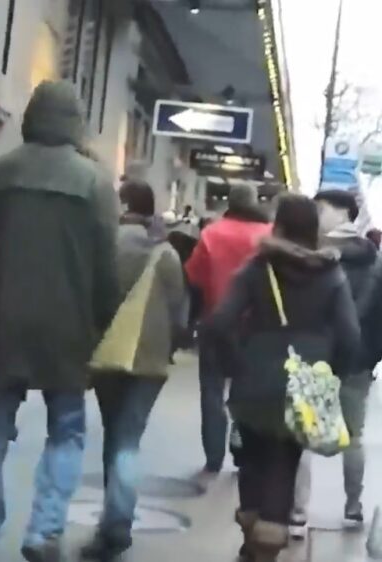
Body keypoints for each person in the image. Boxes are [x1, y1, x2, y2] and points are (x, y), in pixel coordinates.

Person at [0, 80, 120, 562]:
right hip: (68, 325)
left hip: (3, 320)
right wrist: (102, 323)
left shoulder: (3, 171)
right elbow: (106, 266)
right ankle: (44, 530)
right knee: (67, 429)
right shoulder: (94, 182)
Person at [207, 194, 360, 562]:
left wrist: (236, 363)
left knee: (251, 457)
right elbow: (350, 336)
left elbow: (219, 323)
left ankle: (251, 533)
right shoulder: (331, 275)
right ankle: (266, 547)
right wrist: (330, 375)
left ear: (279, 225)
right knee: (284, 462)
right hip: (303, 385)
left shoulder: (257, 268)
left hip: (253, 381)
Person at [81, 181, 184, 561]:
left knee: (114, 436)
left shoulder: (104, 244)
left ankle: (112, 526)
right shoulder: (166, 252)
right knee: (128, 439)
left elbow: (90, 295)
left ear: (123, 204)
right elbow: (179, 310)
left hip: (107, 352)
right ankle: (117, 522)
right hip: (150, 359)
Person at [288, 190, 382, 534]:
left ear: (344, 213)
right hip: (358, 361)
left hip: (317, 357)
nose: (317, 214)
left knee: (303, 433)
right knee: (353, 437)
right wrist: (372, 356)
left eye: (322, 208)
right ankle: (353, 507)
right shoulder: (375, 260)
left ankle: (298, 512)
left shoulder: (315, 256)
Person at [185, 184, 271, 474]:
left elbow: (194, 278)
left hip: (216, 322)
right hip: (258, 328)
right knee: (248, 392)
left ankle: (213, 457)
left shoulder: (212, 233)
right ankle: (242, 447)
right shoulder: (269, 235)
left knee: (211, 392)